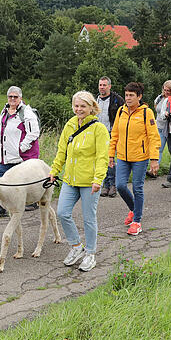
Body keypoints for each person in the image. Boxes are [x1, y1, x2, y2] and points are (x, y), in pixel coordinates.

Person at [49, 91, 109, 272]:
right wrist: (54, 170)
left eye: (83, 106)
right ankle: (76, 247)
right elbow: (62, 151)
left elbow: (102, 157)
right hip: (70, 179)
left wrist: (98, 179)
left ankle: (90, 254)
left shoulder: (99, 129)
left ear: (91, 107)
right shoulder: (70, 125)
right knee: (62, 212)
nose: (79, 109)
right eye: (76, 105)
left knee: (89, 218)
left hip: (90, 181)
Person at [108, 82, 160, 236]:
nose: (128, 98)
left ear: (139, 96)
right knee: (120, 186)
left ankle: (137, 221)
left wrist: (154, 159)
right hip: (123, 157)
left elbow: (153, 137)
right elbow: (115, 134)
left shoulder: (146, 113)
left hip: (140, 158)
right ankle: (133, 209)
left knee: (137, 188)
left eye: (131, 95)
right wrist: (111, 155)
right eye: (126, 95)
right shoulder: (120, 112)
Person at [0, 86, 41, 216]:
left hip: (19, 158)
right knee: (2, 182)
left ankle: (29, 202)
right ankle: (2, 207)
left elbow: (34, 133)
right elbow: (0, 132)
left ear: (20, 98)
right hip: (4, 156)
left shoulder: (27, 113)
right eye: (10, 96)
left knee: (20, 183)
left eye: (15, 97)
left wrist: (21, 148)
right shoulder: (4, 111)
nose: (12, 99)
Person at [97, 77, 125, 196]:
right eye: (100, 85)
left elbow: (124, 115)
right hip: (98, 134)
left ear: (109, 86)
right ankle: (105, 185)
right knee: (102, 160)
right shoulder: (95, 100)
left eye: (104, 85)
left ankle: (113, 185)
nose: (102, 87)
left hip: (112, 133)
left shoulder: (117, 100)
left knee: (111, 160)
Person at [153, 80, 171, 164]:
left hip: (169, 128)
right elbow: (155, 106)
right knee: (158, 148)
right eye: (165, 90)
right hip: (159, 126)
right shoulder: (160, 98)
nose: (166, 92)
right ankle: (154, 169)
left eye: (168, 90)